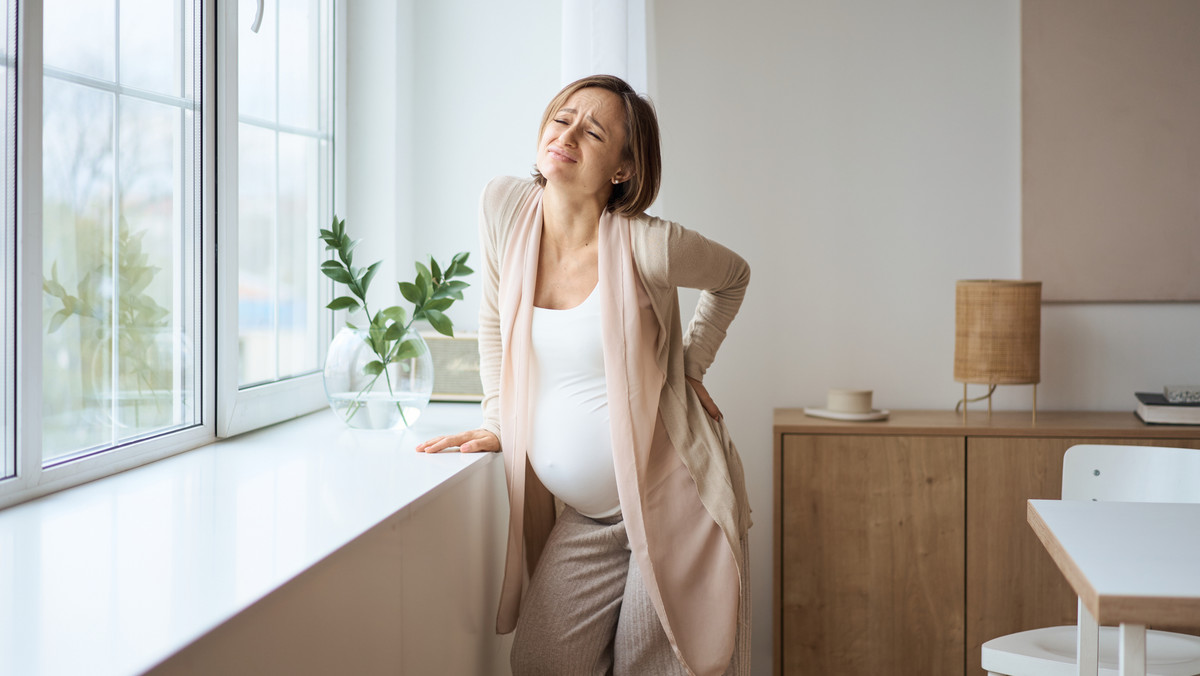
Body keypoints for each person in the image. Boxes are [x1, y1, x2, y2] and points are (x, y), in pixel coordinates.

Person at [416, 74, 751, 676]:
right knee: (544, 661)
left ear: (622, 170)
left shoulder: (649, 246)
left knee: (654, 666)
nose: (567, 134)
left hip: (672, 500)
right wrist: (496, 419)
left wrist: (690, 364)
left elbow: (735, 276)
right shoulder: (505, 208)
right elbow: (494, 322)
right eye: (562, 117)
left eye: (593, 132)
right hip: (591, 516)